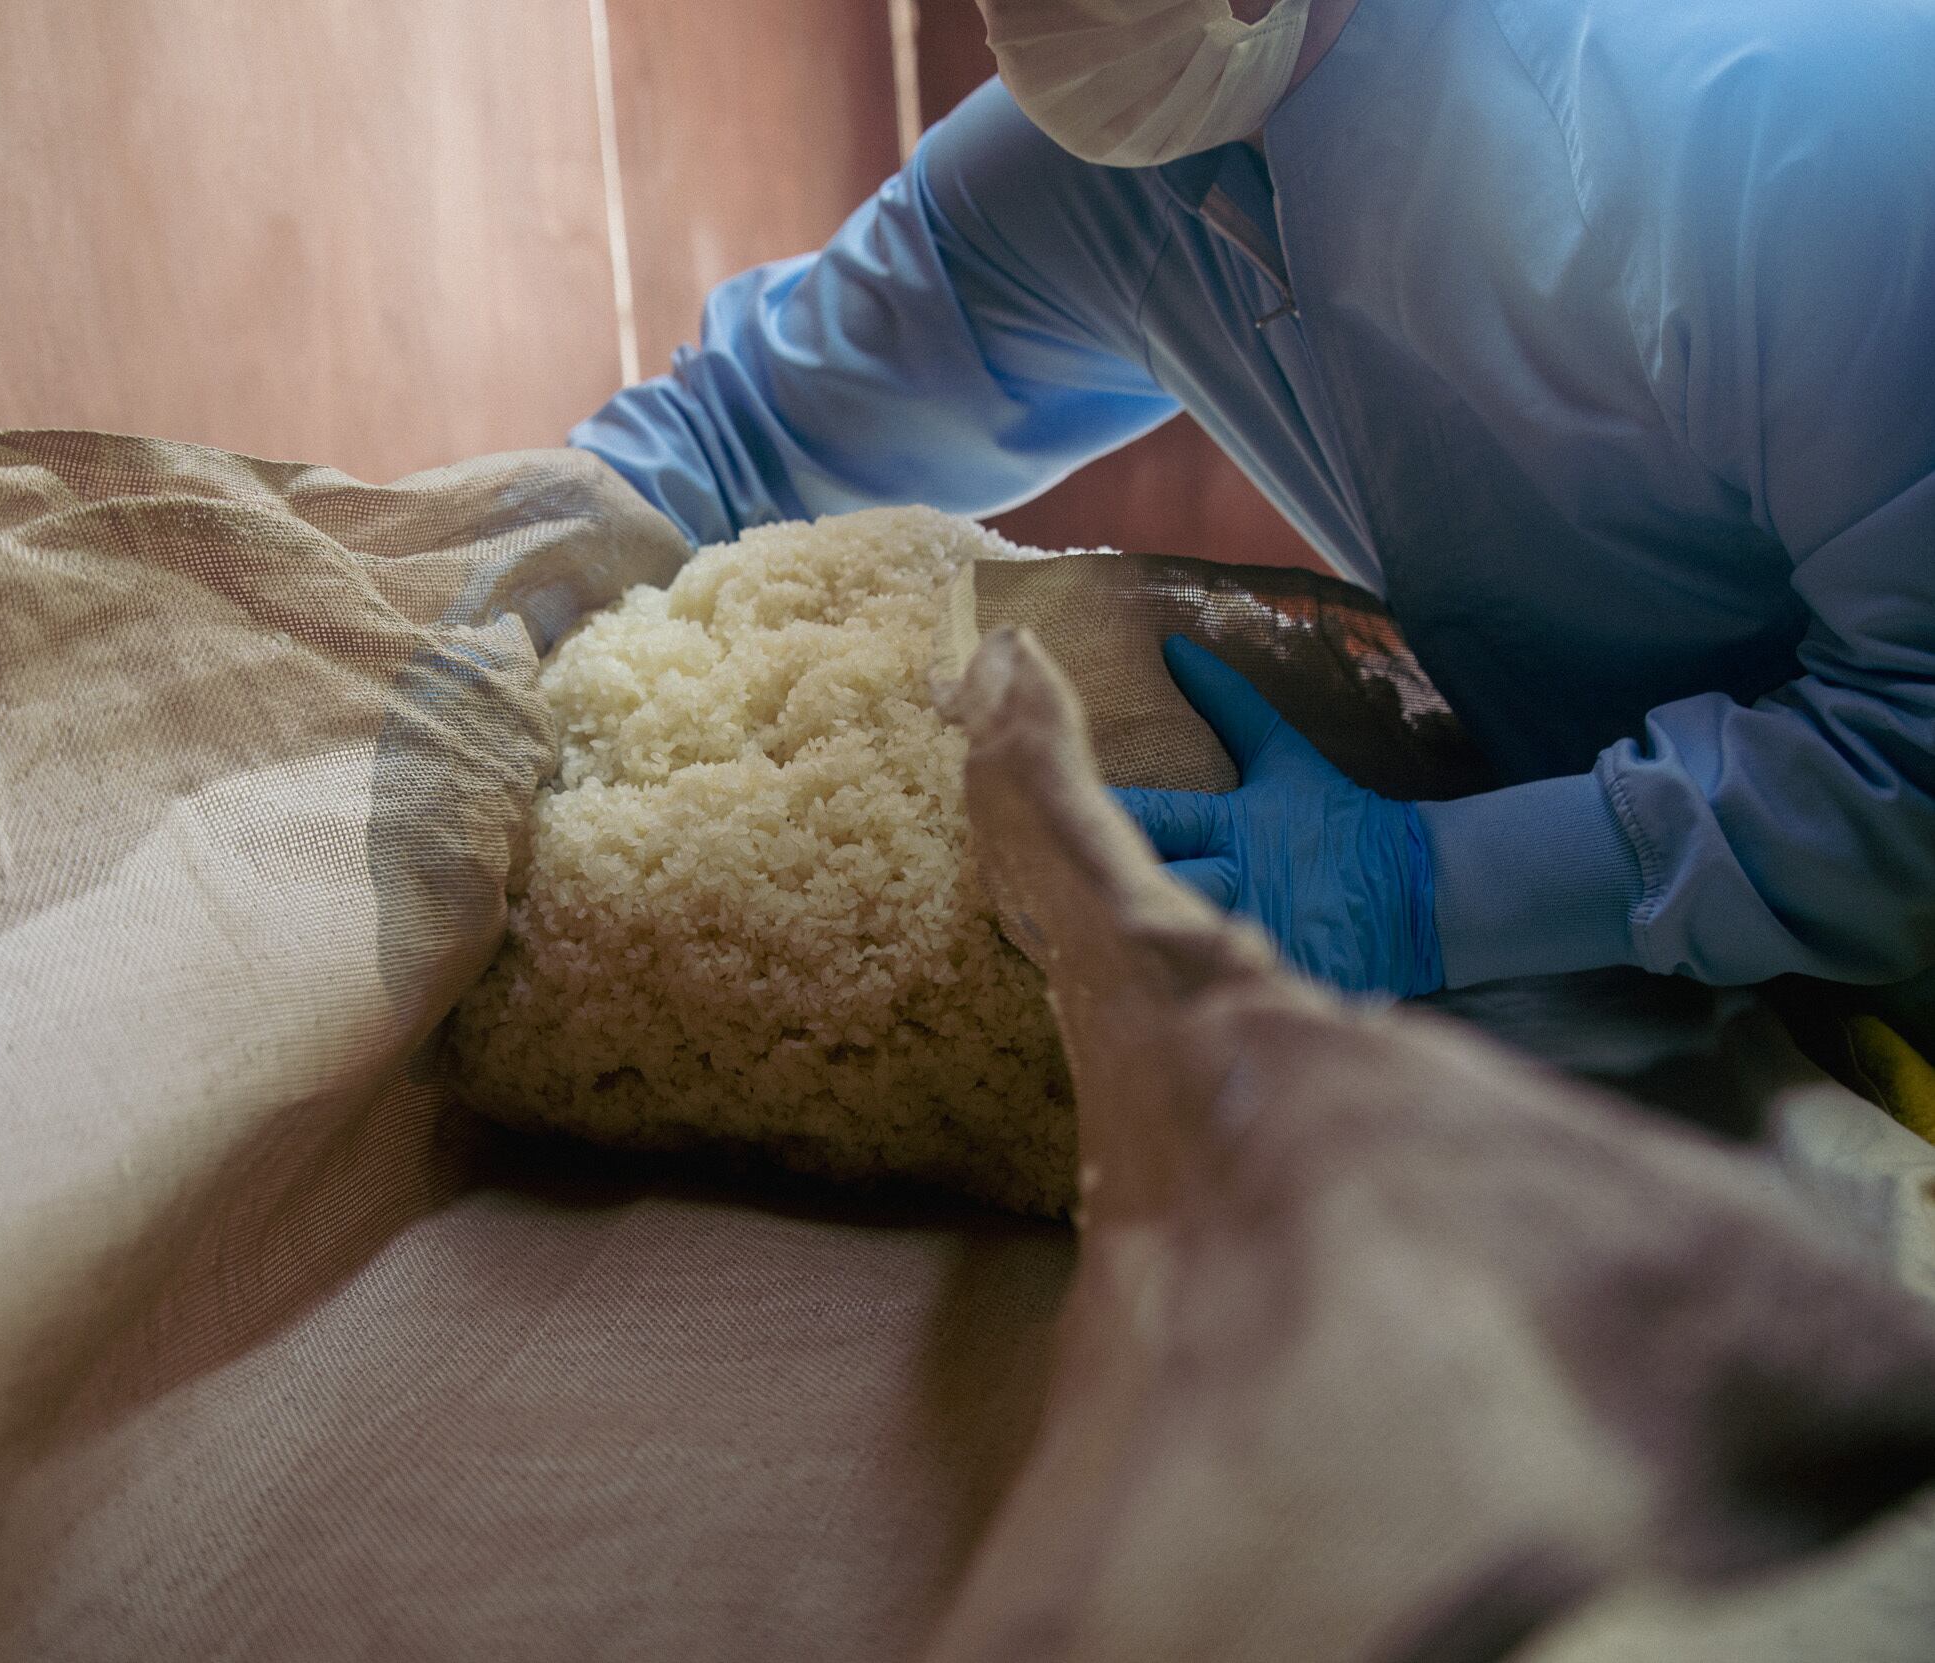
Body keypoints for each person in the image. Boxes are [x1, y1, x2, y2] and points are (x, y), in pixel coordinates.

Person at [568, 0, 1935, 1006]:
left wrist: (1437, 888)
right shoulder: (1136, 149)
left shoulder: (1780, 100)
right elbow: (735, 435)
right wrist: (480, 581)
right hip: (1726, 998)